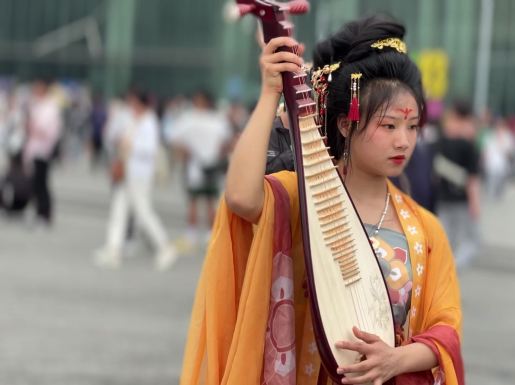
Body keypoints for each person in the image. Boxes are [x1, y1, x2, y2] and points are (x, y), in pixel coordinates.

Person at [181, 16, 464, 385]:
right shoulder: (302, 200)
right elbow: (240, 196)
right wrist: (270, 92)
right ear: (346, 124)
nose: (404, 142)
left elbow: (446, 329)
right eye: (389, 126)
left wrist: (394, 360)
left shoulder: (424, 228)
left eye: (412, 128)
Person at [94, 89, 176, 271]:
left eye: (133, 102)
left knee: (143, 212)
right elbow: (111, 136)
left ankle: (165, 246)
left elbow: (150, 149)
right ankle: (113, 248)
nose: (131, 105)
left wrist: (130, 145)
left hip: (139, 174)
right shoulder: (130, 119)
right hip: (125, 171)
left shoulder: (149, 121)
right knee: (119, 210)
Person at [169, 89, 230, 249]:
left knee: (194, 201)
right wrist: (218, 156)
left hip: (195, 166)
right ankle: (211, 234)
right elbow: (225, 143)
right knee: (209, 201)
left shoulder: (188, 119)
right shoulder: (217, 119)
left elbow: (174, 140)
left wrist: (186, 153)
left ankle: (192, 234)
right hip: (211, 165)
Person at [434, 100, 481, 270]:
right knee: (472, 242)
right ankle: (449, 272)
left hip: (442, 198)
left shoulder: (440, 141)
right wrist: (475, 204)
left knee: (446, 242)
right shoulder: (468, 145)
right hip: (461, 201)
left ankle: (443, 275)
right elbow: (472, 179)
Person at [23, 77, 62, 227]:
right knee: (36, 184)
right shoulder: (37, 105)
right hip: (34, 149)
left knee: (42, 184)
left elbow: (48, 130)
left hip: (43, 150)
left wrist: (35, 127)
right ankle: (39, 212)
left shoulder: (50, 107)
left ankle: (45, 214)